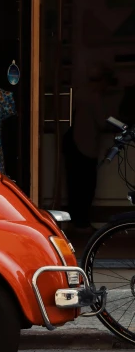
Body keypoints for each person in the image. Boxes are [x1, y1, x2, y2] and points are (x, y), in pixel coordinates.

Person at [62, 63, 120, 232]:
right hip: (84, 145)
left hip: (72, 142)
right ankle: (82, 222)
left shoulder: (80, 92)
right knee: (86, 185)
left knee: (74, 184)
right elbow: (102, 121)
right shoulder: (94, 96)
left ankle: (77, 221)